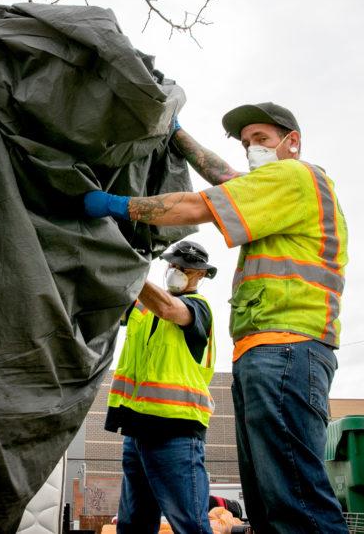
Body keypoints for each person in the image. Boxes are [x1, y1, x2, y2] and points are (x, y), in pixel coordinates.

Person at [85, 102, 349, 533]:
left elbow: (197, 206)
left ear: (292, 142)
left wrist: (116, 205)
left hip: (286, 347)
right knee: (270, 498)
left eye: (261, 139)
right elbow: (226, 177)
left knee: (293, 496)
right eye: (247, 144)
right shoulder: (276, 188)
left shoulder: (297, 176)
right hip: (269, 352)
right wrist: (179, 137)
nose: (252, 150)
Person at [107, 240, 217, 534]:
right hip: (137, 430)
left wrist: (132, 269)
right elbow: (114, 299)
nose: (175, 271)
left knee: (190, 525)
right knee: (133, 524)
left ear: (201, 275)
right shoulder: (143, 309)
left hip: (175, 433)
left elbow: (169, 308)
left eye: (185, 268)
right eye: (172, 264)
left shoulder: (198, 309)